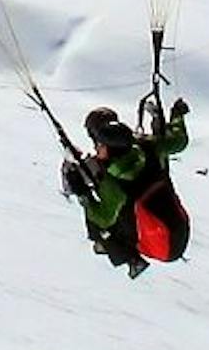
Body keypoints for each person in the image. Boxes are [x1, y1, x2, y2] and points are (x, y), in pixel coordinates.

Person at [63, 92, 190, 274]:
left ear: (109, 150)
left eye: (100, 145)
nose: (97, 148)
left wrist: (83, 194)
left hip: (160, 248)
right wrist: (177, 116)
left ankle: (128, 256)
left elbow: (101, 218)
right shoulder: (148, 148)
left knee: (105, 224)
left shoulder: (113, 183)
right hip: (180, 228)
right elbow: (179, 142)